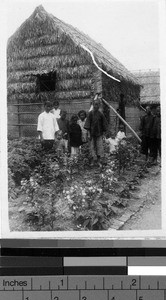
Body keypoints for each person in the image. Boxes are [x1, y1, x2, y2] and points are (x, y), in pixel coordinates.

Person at [84, 99, 108, 166]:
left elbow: (104, 125)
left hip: (99, 133)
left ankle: (99, 161)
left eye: (97, 104)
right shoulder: (90, 113)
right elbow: (87, 125)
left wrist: (103, 134)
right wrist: (88, 134)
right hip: (91, 134)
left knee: (99, 147)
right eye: (94, 104)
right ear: (93, 105)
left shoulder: (101, 114)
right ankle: (92, 161)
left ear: (99, 105)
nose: (96, 106)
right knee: (92, 147)